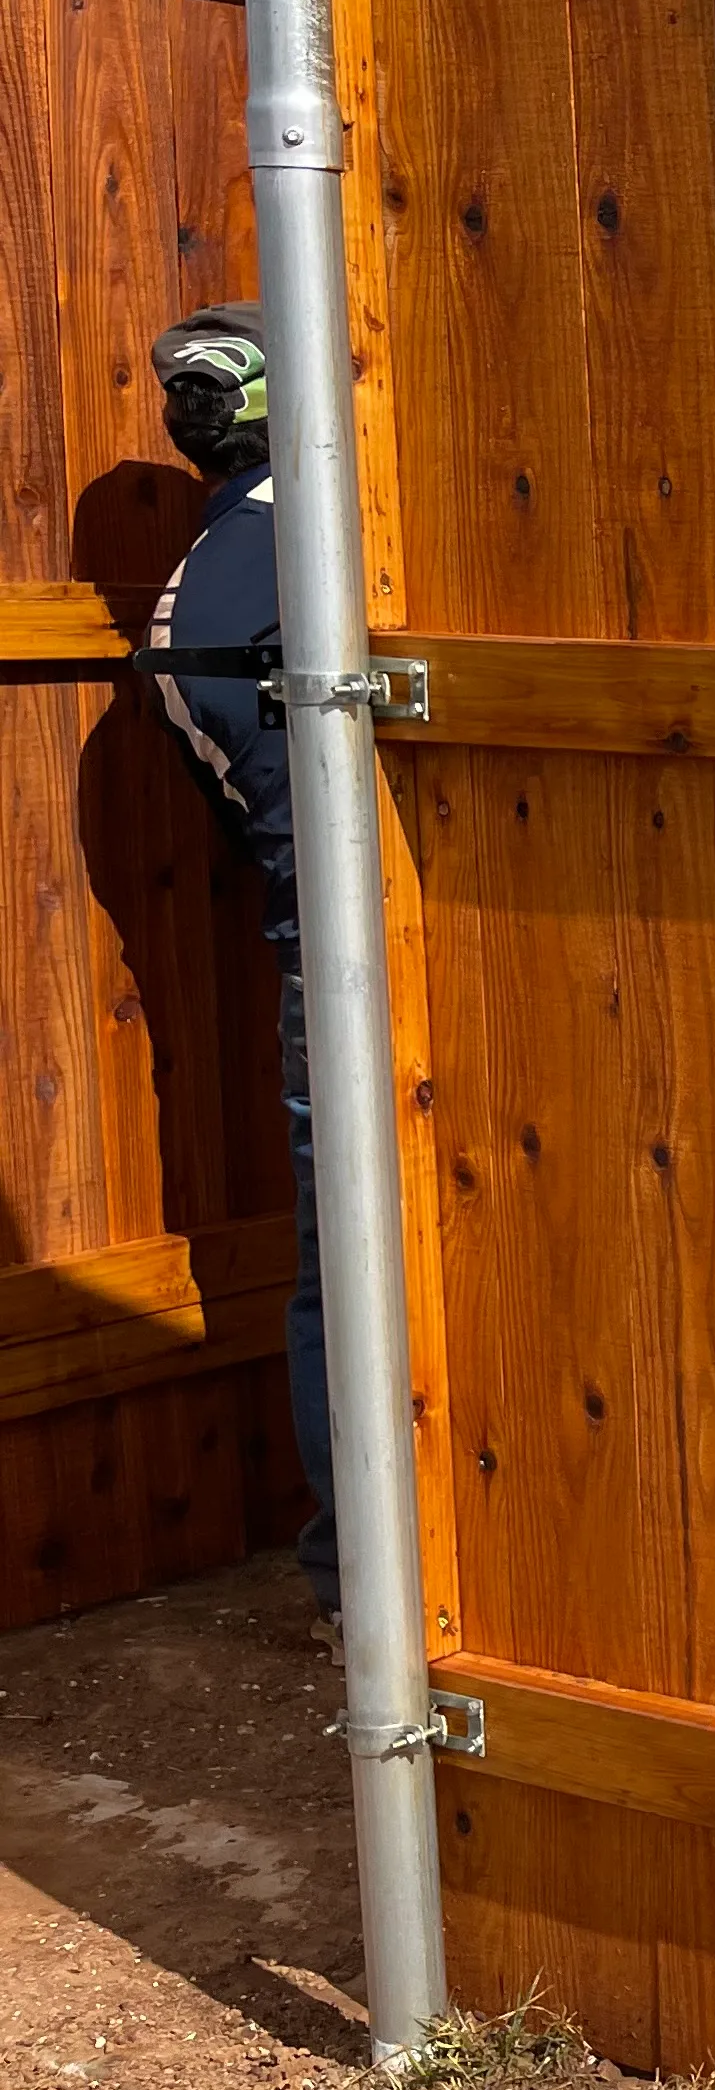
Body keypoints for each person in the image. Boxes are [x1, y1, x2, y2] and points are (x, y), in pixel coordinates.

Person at [139, 302, 340, 1623]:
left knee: (345, 1270)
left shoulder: (179, 611)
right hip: (444, 945)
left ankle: (355, 1579)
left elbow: (250, 818)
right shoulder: (349, 552)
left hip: (314, 966)